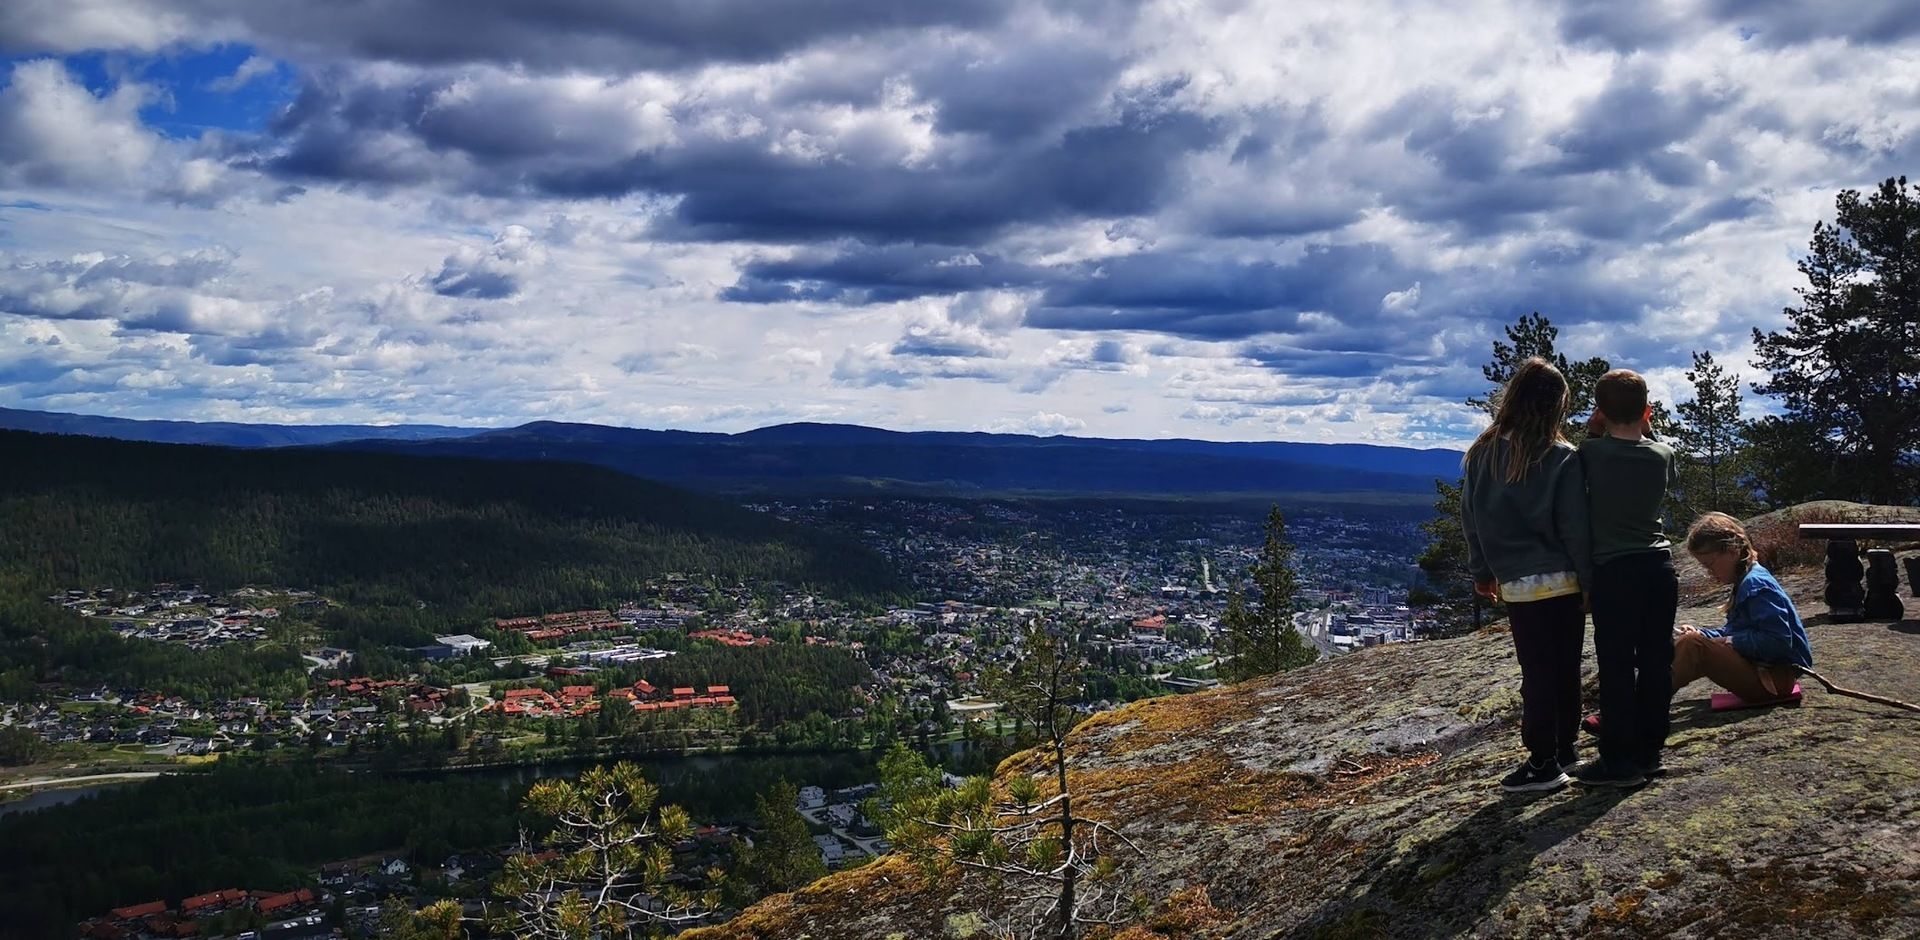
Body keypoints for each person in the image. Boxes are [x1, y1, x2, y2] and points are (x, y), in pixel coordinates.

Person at [1462, 357, 1593, 794]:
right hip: (1567, 582)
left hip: (1520, 584)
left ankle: (1541, 762)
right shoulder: (1563, 457)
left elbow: (1472, 519)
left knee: (1536, 671)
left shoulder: (1483, 453)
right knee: (1566, 667)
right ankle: (1566, 749)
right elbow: (1576, 526)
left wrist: (1483, 571)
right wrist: (1590, 581)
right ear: (1557, 405)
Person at [1570, 370, 1678, 788]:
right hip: (1659, 568)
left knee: (1616, 664)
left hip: (1615, 571)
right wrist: (1643, 425)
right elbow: (1652, 450)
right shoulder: (1663, 454)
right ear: (1647, 411)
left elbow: (1590, 454)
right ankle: (1650, 751)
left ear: (1599, 413)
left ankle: (1617, 760)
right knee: (1656, 661)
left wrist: (1594, 428)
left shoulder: (1590, 454)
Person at [1676, 512, 1813, 704]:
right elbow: (1736, 631)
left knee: (1692, 646)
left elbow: (1778, 641)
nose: (1709, 573)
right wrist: (1703, 634)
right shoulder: (1745, 581)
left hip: (1773, 681)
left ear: (1732, 551)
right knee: (1691, 641)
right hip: (1764, 674)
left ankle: (1647, 699)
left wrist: (1727, 641)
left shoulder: (1755, 584)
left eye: (1710, 565)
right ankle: (1648, 693)